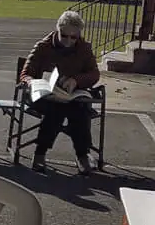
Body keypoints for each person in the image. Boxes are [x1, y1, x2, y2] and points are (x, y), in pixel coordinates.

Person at [19, 10, 99, 175]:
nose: (69, 41)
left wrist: (76, 80)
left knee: (78, 109)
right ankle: (41, 153)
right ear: (58, 31)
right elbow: (25, 74)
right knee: (57, 109)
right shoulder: (43, 46)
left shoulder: (84, 48)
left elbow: (94, 74)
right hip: (44, 95)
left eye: (74, 37)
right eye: (64, 36)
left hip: (72, 95)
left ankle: (81, 155)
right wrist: (33, 82)